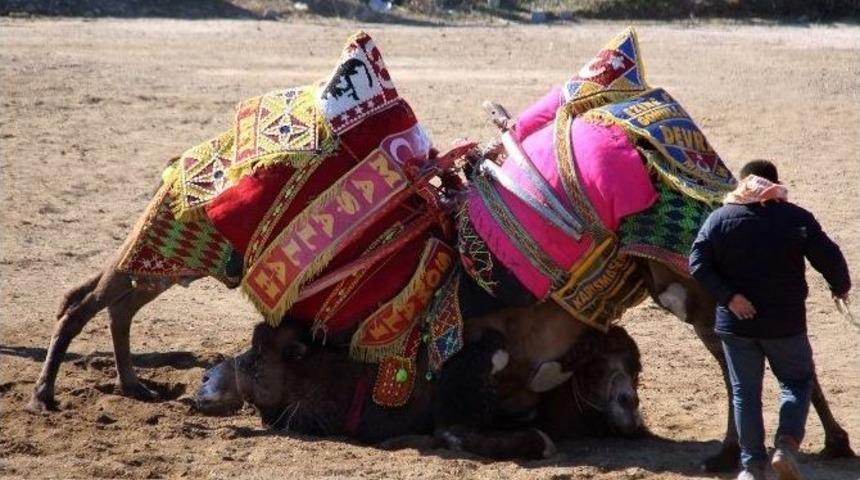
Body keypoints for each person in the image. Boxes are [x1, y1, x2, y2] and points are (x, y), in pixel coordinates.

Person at [689, 160, 851, 480]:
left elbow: (697, 263)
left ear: (742, 183)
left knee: (744, 393)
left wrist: (730, 297)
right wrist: (839, 286)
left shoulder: (719, 219)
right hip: (785, 324)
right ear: (775, 184)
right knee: (795, 382)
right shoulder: (796, 218)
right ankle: (786, 447)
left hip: (737, 326)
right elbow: (830, 257)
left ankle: (751, 468)